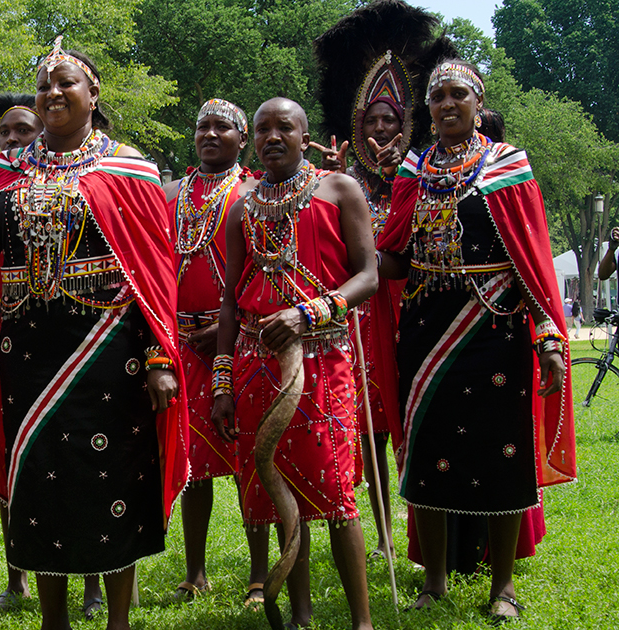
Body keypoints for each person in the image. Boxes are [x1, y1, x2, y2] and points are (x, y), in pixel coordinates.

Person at [0, 38, 189, 630]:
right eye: (45, 84)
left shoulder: (130, 169)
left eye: (65, 82)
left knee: (112, 480)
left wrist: (159, 355)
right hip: (28, 355)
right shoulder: (9, 171)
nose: (52, 92)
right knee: (40, 484)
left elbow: (154, 273)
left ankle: (118, 620)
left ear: (93, 95)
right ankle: (54, 621)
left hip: (110, 353)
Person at [377, 60, 575, 624]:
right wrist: (355, 248)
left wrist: (550, 339)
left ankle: (503, 586)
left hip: (495, 327)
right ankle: (434, 580)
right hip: (423, 330)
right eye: (436, 96)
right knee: (425, 453)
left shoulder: (508, 165)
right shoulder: (413, 169)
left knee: (501, 452)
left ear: (477, 101)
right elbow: (396, 257)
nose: (445, 104)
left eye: (456, 94)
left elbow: (531, 259)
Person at [211, 97, 378, 630]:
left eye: (286, 127)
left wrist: (311, 312)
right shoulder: (242, 205)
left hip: (323, 358)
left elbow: (368, 275)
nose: (273, 136)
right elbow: (232, 299)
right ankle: (300, 617)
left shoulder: (339, 189)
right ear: (253, 140)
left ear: (306, 138)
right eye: (263, 129)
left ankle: (362, 623)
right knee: (276, 489)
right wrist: (221, 382)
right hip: (254, 364)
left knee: (333, 492)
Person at [311, 2, 457, 563]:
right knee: (364, 432)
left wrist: (400, 174)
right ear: (355, 124)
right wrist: (335, 176)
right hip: (357, 321)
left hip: (415, 316)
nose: (380, 131)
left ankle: (423, 533)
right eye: (371, 121)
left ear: (407, 125)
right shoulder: (336, 182)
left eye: (391, 121)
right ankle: (382, 536)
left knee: (413, 428)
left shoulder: (428, 176)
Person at [0, 92, 110, 615]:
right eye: (5, 132)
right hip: (18, 337)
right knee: (24, 462)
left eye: (23, 131)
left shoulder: (100, 172)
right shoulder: (0, 184)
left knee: (88, 460)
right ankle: (19, 578)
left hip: (87, 338)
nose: (13, 139)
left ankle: (96, 586)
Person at [162, 98, 260, 603]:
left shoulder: (253, 192)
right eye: (203, 126)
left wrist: (229, 330)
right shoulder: (171, 193)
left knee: (248, 459)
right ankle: (194, 571)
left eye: (224, 127)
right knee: (193, 464)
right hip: (180, 342)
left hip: (237, 341)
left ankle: (260, 574)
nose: (211, 134)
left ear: (242, 139)